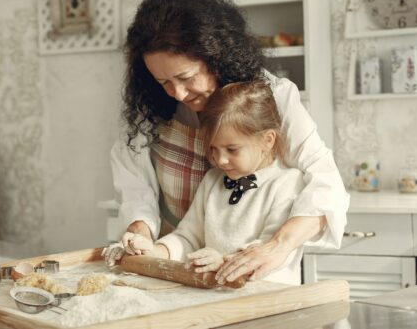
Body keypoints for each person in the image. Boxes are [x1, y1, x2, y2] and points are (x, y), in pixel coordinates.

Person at [103, 0, 349, 284]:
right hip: (177, 271)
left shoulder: (272, 98)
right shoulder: (149, 111)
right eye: (164, 81)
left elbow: (325, 184)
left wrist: (274, 247)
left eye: (186, 77)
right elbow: (137, 194)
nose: (178, 93)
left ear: (215, 56)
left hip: (259, 278)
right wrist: (142, 240)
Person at [125, 81, 309, 285]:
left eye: (232, 149)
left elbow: (266, 252)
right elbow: (188, 237)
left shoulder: (287, 183)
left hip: (270, 301)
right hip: (218, 300)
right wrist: (155, 250)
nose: (220, 160)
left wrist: (222, 263)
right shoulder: (213, 180)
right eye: (213, 149)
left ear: (268, 140)